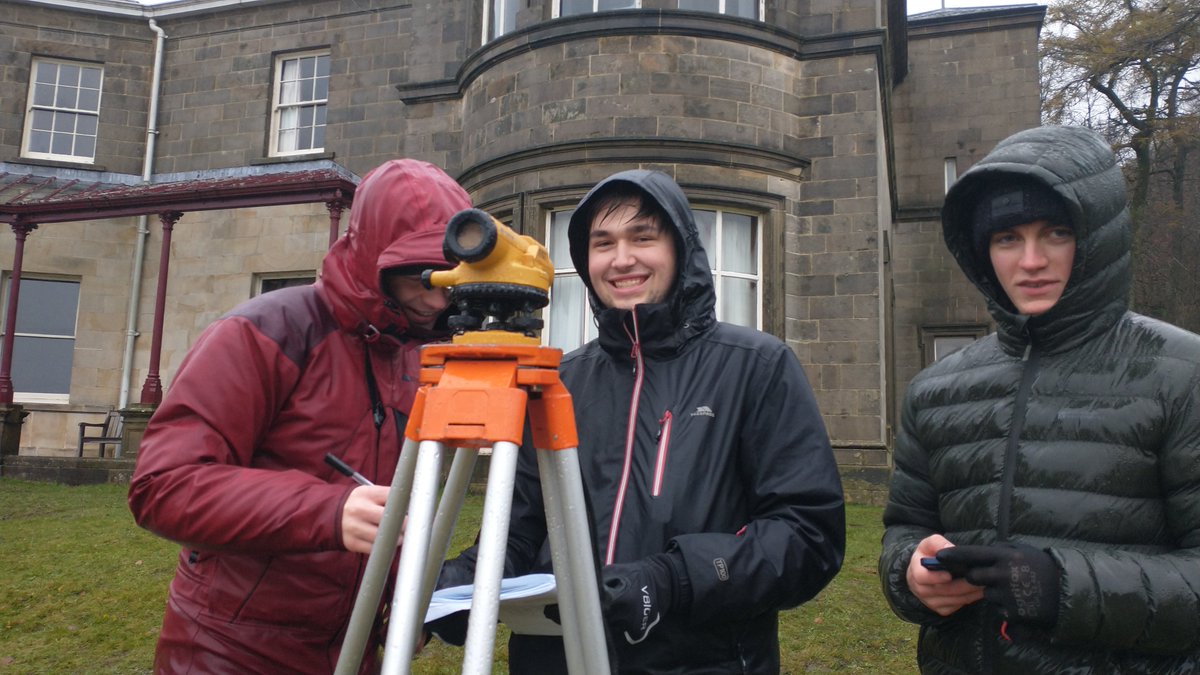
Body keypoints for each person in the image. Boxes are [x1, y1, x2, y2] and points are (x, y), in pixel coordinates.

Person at [431, 169, 846, 673]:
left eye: (642, 237)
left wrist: (674, 578)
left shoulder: (756, 366)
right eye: (603, 243)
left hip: (702, 661)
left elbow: (807, 538)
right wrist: (454, 587)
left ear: (680, 247)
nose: (622, 259)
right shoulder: (556, 381)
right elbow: (520, 533)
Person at [127, 159, 472, 674]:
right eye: (424, 278)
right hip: (230, 651)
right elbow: (163, 484)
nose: (439, 299)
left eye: (452, 279)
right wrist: (328, 512)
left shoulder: (416, 352)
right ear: (377, 260)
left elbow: (399, 504)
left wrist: (402, 600)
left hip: (354, 650)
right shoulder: (267, 330)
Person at [879, 124, 1200, 673]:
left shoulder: (1181, 373)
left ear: (1097, 236)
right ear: (982, 250)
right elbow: (904, 528)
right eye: (1007, 238)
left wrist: (1063, 586)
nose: (1030, 261)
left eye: (1054, 233)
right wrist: (910, 573)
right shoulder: (935, 390)